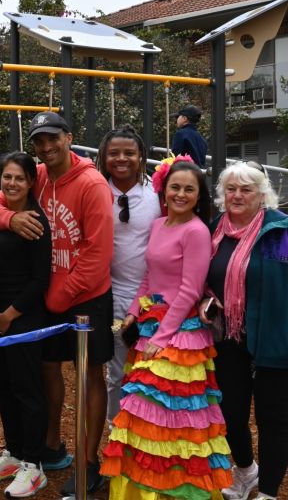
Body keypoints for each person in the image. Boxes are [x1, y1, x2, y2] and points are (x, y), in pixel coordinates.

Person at [0, 111, 114, 495]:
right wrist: (10, 220)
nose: (47, 147)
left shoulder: (91, 183)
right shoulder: (36, 175)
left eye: (53, 138)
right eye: (39, 141)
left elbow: (97, 252)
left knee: (88, 375)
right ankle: (50, 447)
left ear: (69, 138)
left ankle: (89, 459)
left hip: (84, 295)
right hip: (44, 296)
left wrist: (57, 295)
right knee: (44, 371)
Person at [102, 158, 233, 498]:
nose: (181, 194)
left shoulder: (196, 231)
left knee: (172, 414)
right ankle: (145, 488)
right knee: (147, 415)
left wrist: (161, 339)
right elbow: (149, 277)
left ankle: (173, 489)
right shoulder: (159, 225)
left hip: (180, 333)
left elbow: (190, 290)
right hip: (150, 325)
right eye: (175, 187)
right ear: (164, 189)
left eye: (189, 189)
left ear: (198, 195)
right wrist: (133, 312)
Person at [199, 162, 288, 500]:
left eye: (246, 189)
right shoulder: (213, 231)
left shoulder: (279, 231)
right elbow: (201, 278)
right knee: (230, 414)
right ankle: (247, 471)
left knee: (273, 419)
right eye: (231, 189)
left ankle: (267, 491)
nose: (237, 195)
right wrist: (204, 300)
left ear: (261, 194)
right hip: (228, 339)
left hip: (274, 339)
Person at [0, 152, 51, 498]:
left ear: (31, 182)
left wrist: (10, 313)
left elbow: (40, 280)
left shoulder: (35, 222)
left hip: (21, 318)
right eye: (6, 177)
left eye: (19, 178)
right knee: (4, 388)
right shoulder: (0, 217)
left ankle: (34, 466)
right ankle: (15, 451)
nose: (11, 184)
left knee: (27, 391)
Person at [95, 126, 162, 424]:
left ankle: (150, 438)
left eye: (129, 153)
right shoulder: (95, 190)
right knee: (118, 371)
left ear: (141, 156)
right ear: (103, 156)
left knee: (154, 371)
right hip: (111, 296)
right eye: (114, 153)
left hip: (155, 296)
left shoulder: (157, 193)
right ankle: (116, 434)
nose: (121, 159)